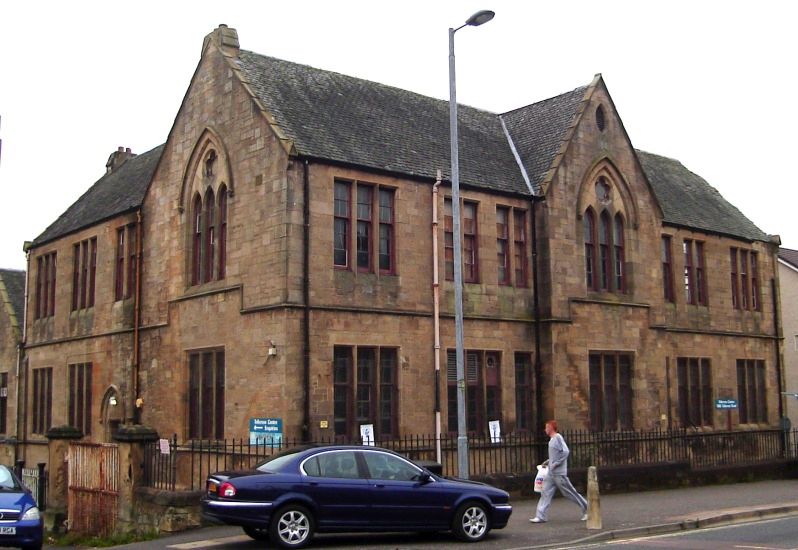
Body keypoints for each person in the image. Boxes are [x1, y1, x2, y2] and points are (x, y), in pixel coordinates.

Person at [530, 420, 588, 523]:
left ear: (551, 428)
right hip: (551, 473)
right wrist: (548, 462)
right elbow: (555, 455)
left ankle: (588, 510)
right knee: (545, 493)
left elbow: (565, 452)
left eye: (547, 427)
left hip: (559, 474)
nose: (545, 429)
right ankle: (541, 516)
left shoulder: (557, 438)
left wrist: (556, 463)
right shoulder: (552, 440)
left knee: (570, 493)